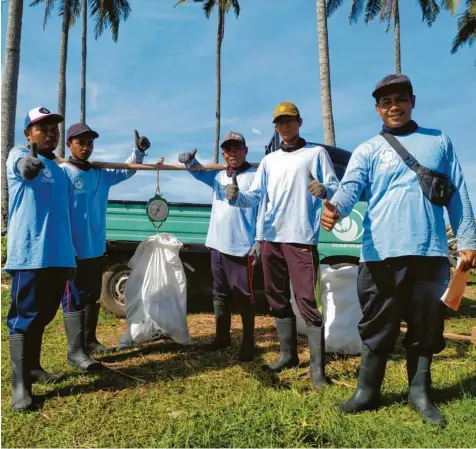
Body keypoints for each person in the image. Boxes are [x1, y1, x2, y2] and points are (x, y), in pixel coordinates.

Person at [321, 74, 476, 426]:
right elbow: (350, 188)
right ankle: (367, 391)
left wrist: (467, 241)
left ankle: (420, 393)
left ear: (413, 101)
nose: (394, 106)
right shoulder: (367, 150)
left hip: (430, 252)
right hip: (379, 255)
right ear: (377, 110)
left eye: (400, 98)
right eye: (386, 101)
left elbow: (458, 193)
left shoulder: (439, 142)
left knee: (426, 325)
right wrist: (336, 208)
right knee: (377, 324)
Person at [225, 103, 339, 390]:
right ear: (275, 127)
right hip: (270, 239)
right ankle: (288, 355)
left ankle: (317, 372)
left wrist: (325, 190)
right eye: (280, 122)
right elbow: (255, 197)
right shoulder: (269, 161)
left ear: (299, 122)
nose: (285, 126)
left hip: (301, 238)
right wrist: (235, 197)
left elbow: (338, 188)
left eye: (289, 120)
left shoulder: (316, 154)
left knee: (307, 303)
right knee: (276, 298)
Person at [5, 107, 86, 411]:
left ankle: (35, 368)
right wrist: (27, 162)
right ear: (28, 134)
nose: (50, 132)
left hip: (59, 256)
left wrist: (71, 257)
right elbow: (20, 165)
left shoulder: (61, 170)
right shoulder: (19, 153)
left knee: (43, 316)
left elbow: (64, 216)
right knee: (23, 319)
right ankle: (20, 386)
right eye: (42, 128)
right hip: (30, 256)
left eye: (54, 127)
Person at [60, 123, 150, 356]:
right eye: (80, 143)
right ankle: (75, 350)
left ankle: (90, 341)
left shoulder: (100, 174)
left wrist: (138, 152)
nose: (86, 147)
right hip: (73, 250)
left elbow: (127, 169)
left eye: (90, 143)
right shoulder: (64, 173)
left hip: (95, 247)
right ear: (69, 144)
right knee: (74, 298)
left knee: (91, 295)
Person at [178, 131, 260, 362]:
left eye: (236, 148)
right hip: (216, 243)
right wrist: (190, 162)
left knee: (243, 296)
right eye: (228, 149)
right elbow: (199, 173)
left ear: (245, 150)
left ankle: (248, 343)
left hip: (241, 247)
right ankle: (222, 337)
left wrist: (259, 240)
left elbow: (262, 206)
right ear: (223, 153)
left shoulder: (255, 175)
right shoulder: (218, 176)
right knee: (219, 293)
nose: (232, 153)